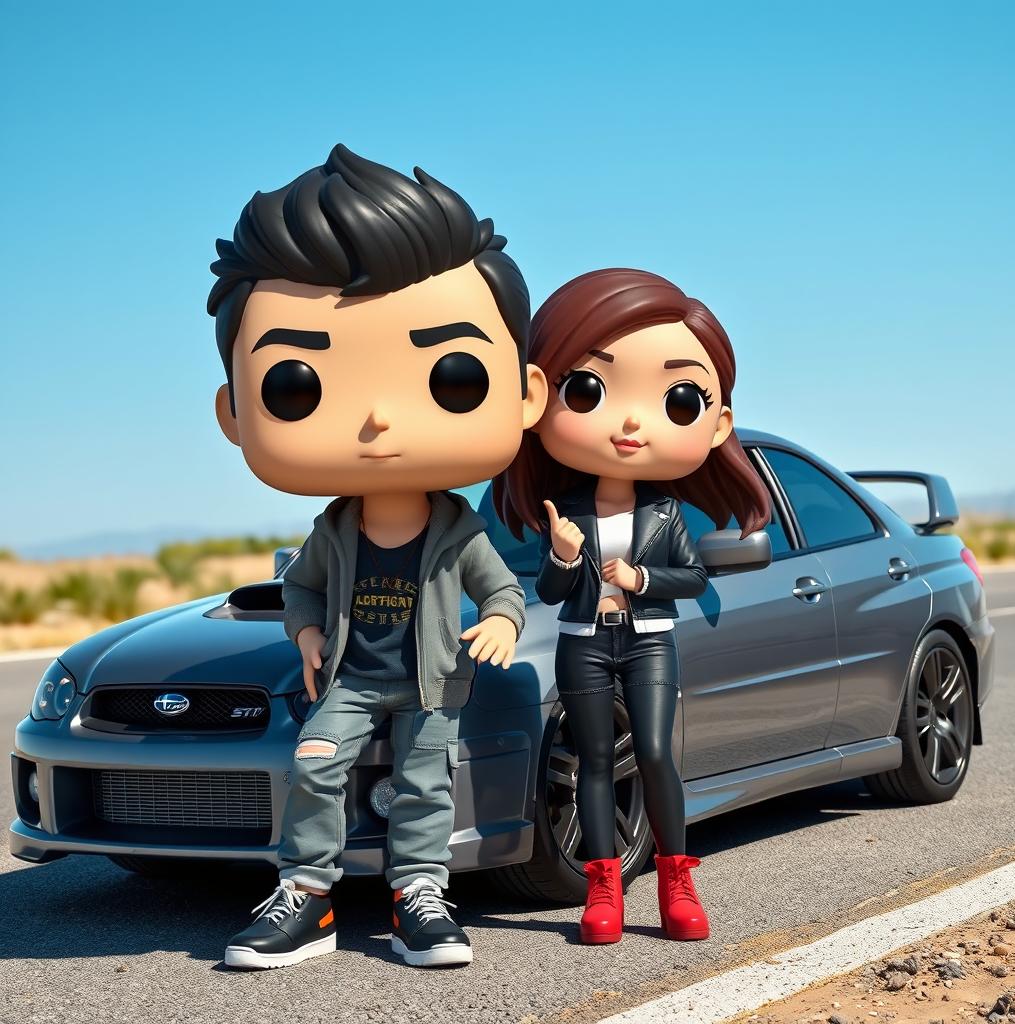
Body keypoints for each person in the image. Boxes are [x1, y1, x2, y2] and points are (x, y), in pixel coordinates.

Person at [208, 144, 548, 969]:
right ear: (234, 411)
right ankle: (308, 897)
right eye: (299, 385)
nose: (378, 423)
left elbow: (503, 592)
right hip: (354, 678)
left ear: (523, 392)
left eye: (452, 376)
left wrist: (501, 624)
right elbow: (300, 590)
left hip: (432, 683)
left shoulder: (460, 530)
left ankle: (419, 897)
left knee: (426, 786)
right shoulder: (333, 530)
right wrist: (307, 635)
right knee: (317, 764)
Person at [494, 268, 771, 944]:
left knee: (651, 750)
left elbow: (693, 577)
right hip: (583, 639)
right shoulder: (569, 512)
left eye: (676, 399)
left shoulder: (667, 512)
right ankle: (603, 891)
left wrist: (642, 577)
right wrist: (561, 554)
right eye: (588, 389)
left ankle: (678, 884)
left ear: (715, 422)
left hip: (647, 639)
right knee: (594, 758)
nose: (626, 423)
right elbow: (553, 593)